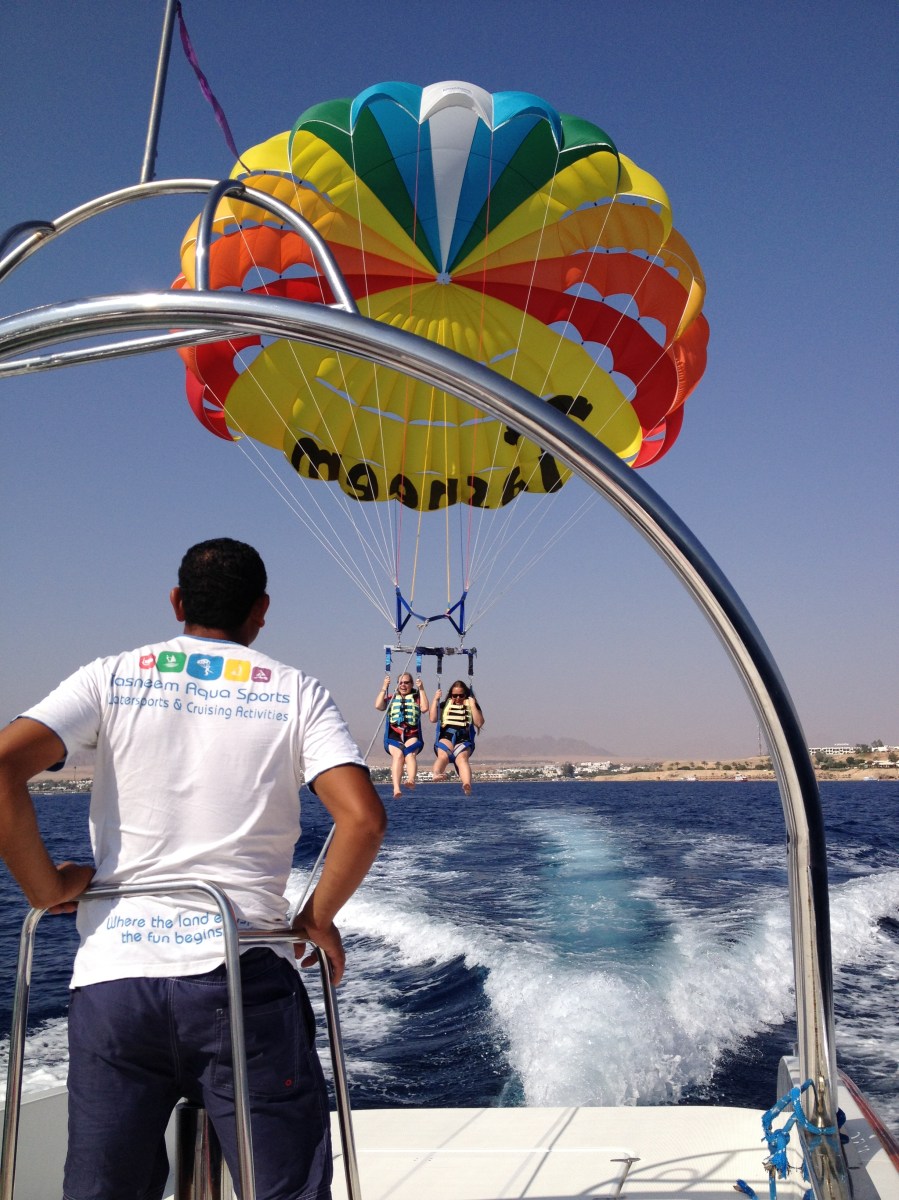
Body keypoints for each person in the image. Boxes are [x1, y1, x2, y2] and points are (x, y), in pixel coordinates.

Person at [0, 538, 387, 1200]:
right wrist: (316, 919)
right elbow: (363, 820)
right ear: (261, 610)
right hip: (243, 978)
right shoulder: (297, 692)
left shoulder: (110, 676)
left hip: (116, 985)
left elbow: (5, 764)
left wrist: (47, 888)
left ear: (177, 602)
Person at [375, 671, 429, 798]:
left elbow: (425, 708)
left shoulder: (417, 698)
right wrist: (384, 687)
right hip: (394, 735)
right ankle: (396, 788)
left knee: (410, 754)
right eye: (400, 683)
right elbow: (378, 706)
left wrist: (421, 689)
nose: (403, 685)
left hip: (412, 733)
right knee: (398, 755)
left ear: (411, 684)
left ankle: (411, 779)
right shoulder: (391, 698)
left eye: (406, 682)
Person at [429, 680, 484, 795]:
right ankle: (436, 774)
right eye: (454, 696)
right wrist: (435, 700)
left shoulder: (472, 706)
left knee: (462, 758)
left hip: (464, 739)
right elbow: (433, 718)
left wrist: (472, 704)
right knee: (443, 756)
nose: (458, 698)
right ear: (451, 695)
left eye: (461, 695)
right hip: (446, 736)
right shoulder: (444, 705)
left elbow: (479, 723)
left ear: (466, 695)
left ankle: (466, 784)